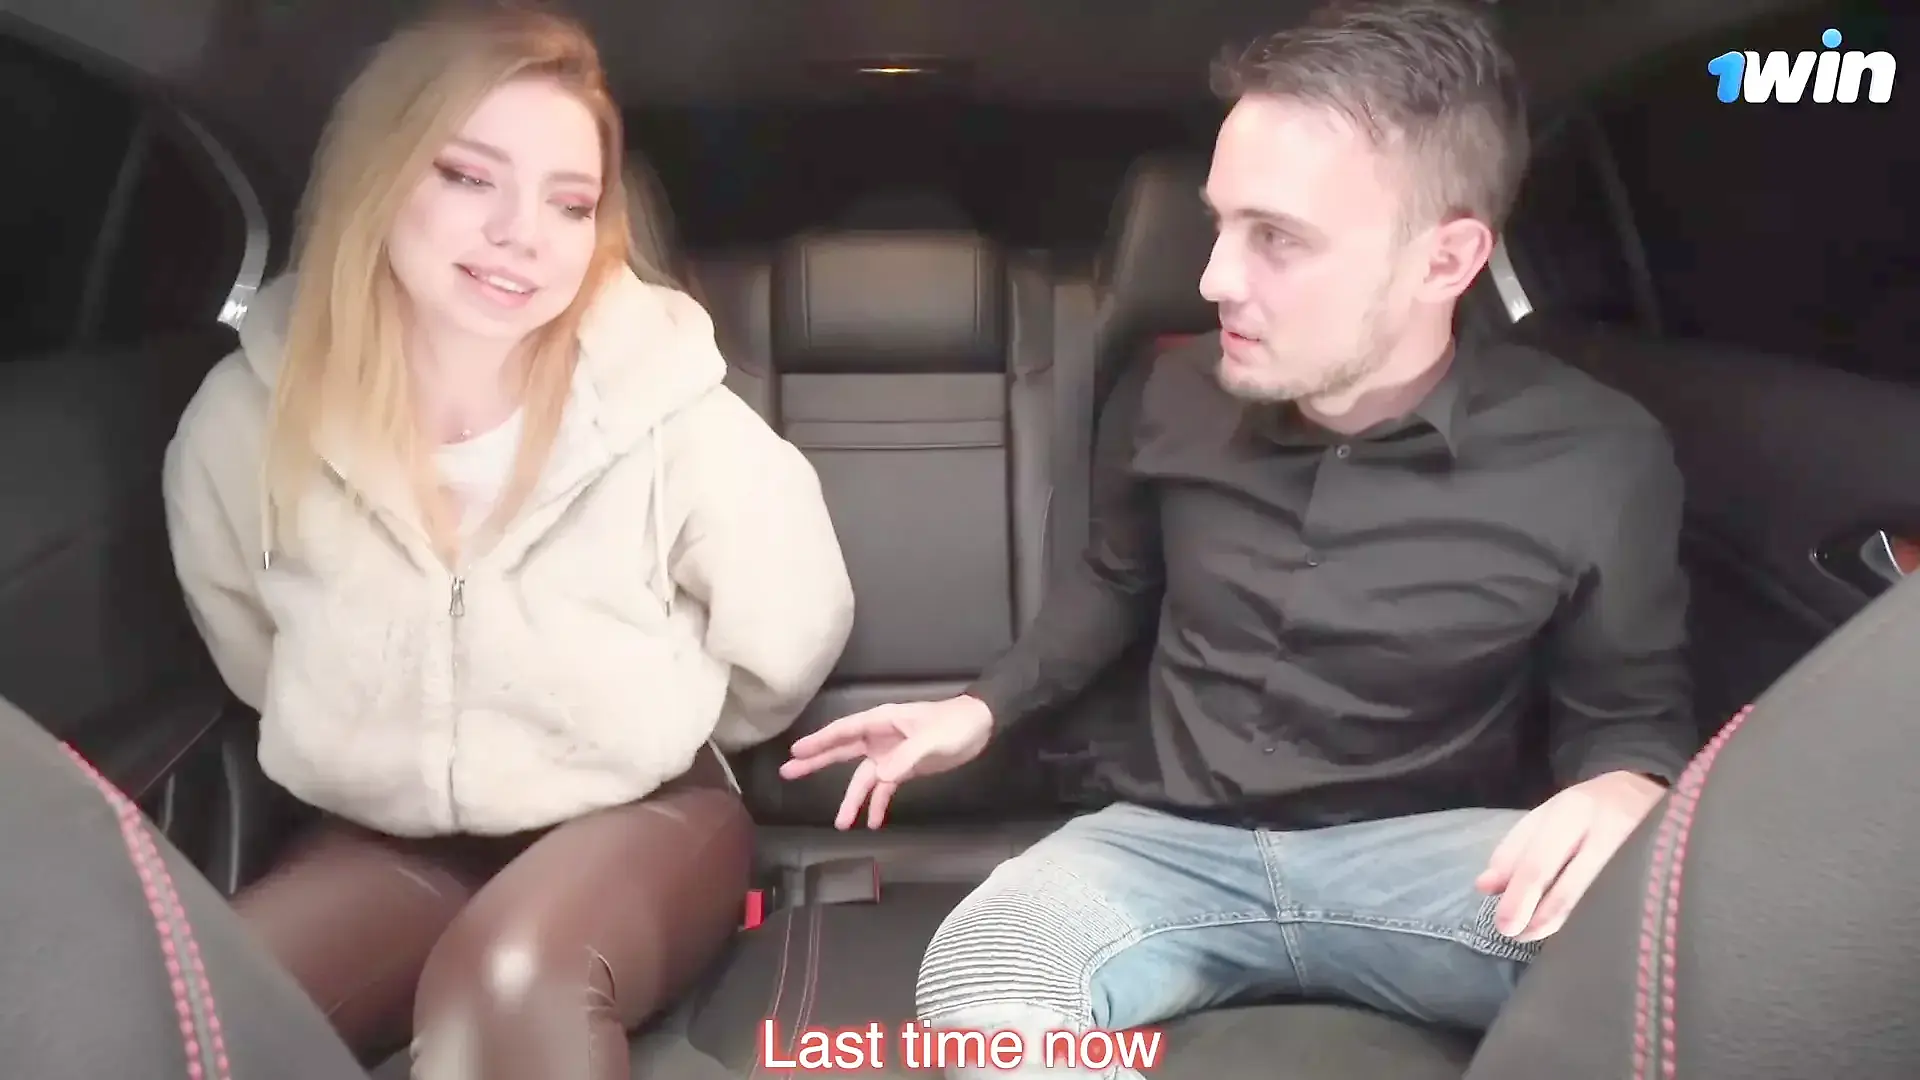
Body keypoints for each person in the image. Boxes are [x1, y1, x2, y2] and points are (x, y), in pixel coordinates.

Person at [781, 0, 1694, 1074]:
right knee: (986, 972)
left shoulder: (1596, 456)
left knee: (1677, 957)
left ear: (1446, 261)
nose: (1215, 277)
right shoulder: (1173, 392)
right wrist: (979, 711)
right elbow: (1117, 581)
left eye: (1277, 239)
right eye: (1219, 224)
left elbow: (1628, 716)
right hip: (1162, 849)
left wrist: (1629, 788)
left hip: (1431, 861)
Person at [161, 9, 854, 1078]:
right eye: (468, 176)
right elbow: (253, 649)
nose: (522, 233)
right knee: (196, 1009)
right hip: (387, 835)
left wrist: (645, 733)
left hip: (644, 812)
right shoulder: (245, 421)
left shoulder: (671, 413)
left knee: (508, 987)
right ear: (377, 177)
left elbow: (789, 633)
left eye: (569, 203)